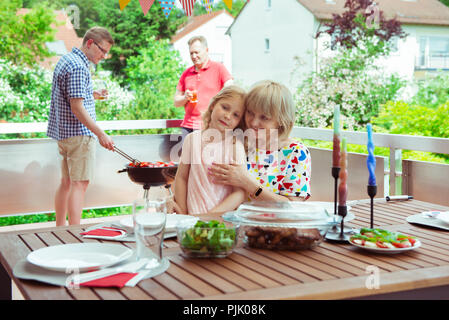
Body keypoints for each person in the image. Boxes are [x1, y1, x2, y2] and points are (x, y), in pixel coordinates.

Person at [47, 27, 115, 226]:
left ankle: (60, 228)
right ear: (90, 43)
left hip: (64, 135)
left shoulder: (66, 60)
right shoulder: (79, 66)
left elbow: (69, 97)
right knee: (80, 184)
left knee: (67, 183)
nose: (104, 56)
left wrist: (93, 94)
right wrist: (101, 134)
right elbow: (76, 107)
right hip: (79, 135)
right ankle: (74, 233)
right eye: (102, 50)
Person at [208, 80, 312, 202]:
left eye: (264, 117)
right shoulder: (236, 142)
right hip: (229, 218)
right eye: (250, 113)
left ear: (281, 120)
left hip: (274, 221)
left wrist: (247, 182)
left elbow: (293, 206)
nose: (253, 122)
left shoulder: (296, 152)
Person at [174, 85, 247, 215]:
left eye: (236, 115)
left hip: (221, 222)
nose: (228, 116)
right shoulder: (191, 139)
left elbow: (239, 193)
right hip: (192, 218)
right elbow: (181, 178)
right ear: (213, 104)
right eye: (225, 107)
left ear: (239, 122)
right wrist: (183, 214)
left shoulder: (235, 146)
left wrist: (208, 218)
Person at [174, 36, 233, 136]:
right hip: (188, 127)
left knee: (208, 152)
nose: (194, 56)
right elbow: (176, 102)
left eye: (197, 52)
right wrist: (185, 97)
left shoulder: (218, 68)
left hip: (210, 125)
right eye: (191, 53)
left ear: (206, 50)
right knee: (187, 152)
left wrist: (217, 101)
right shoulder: (186, 73)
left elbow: (230, 87)